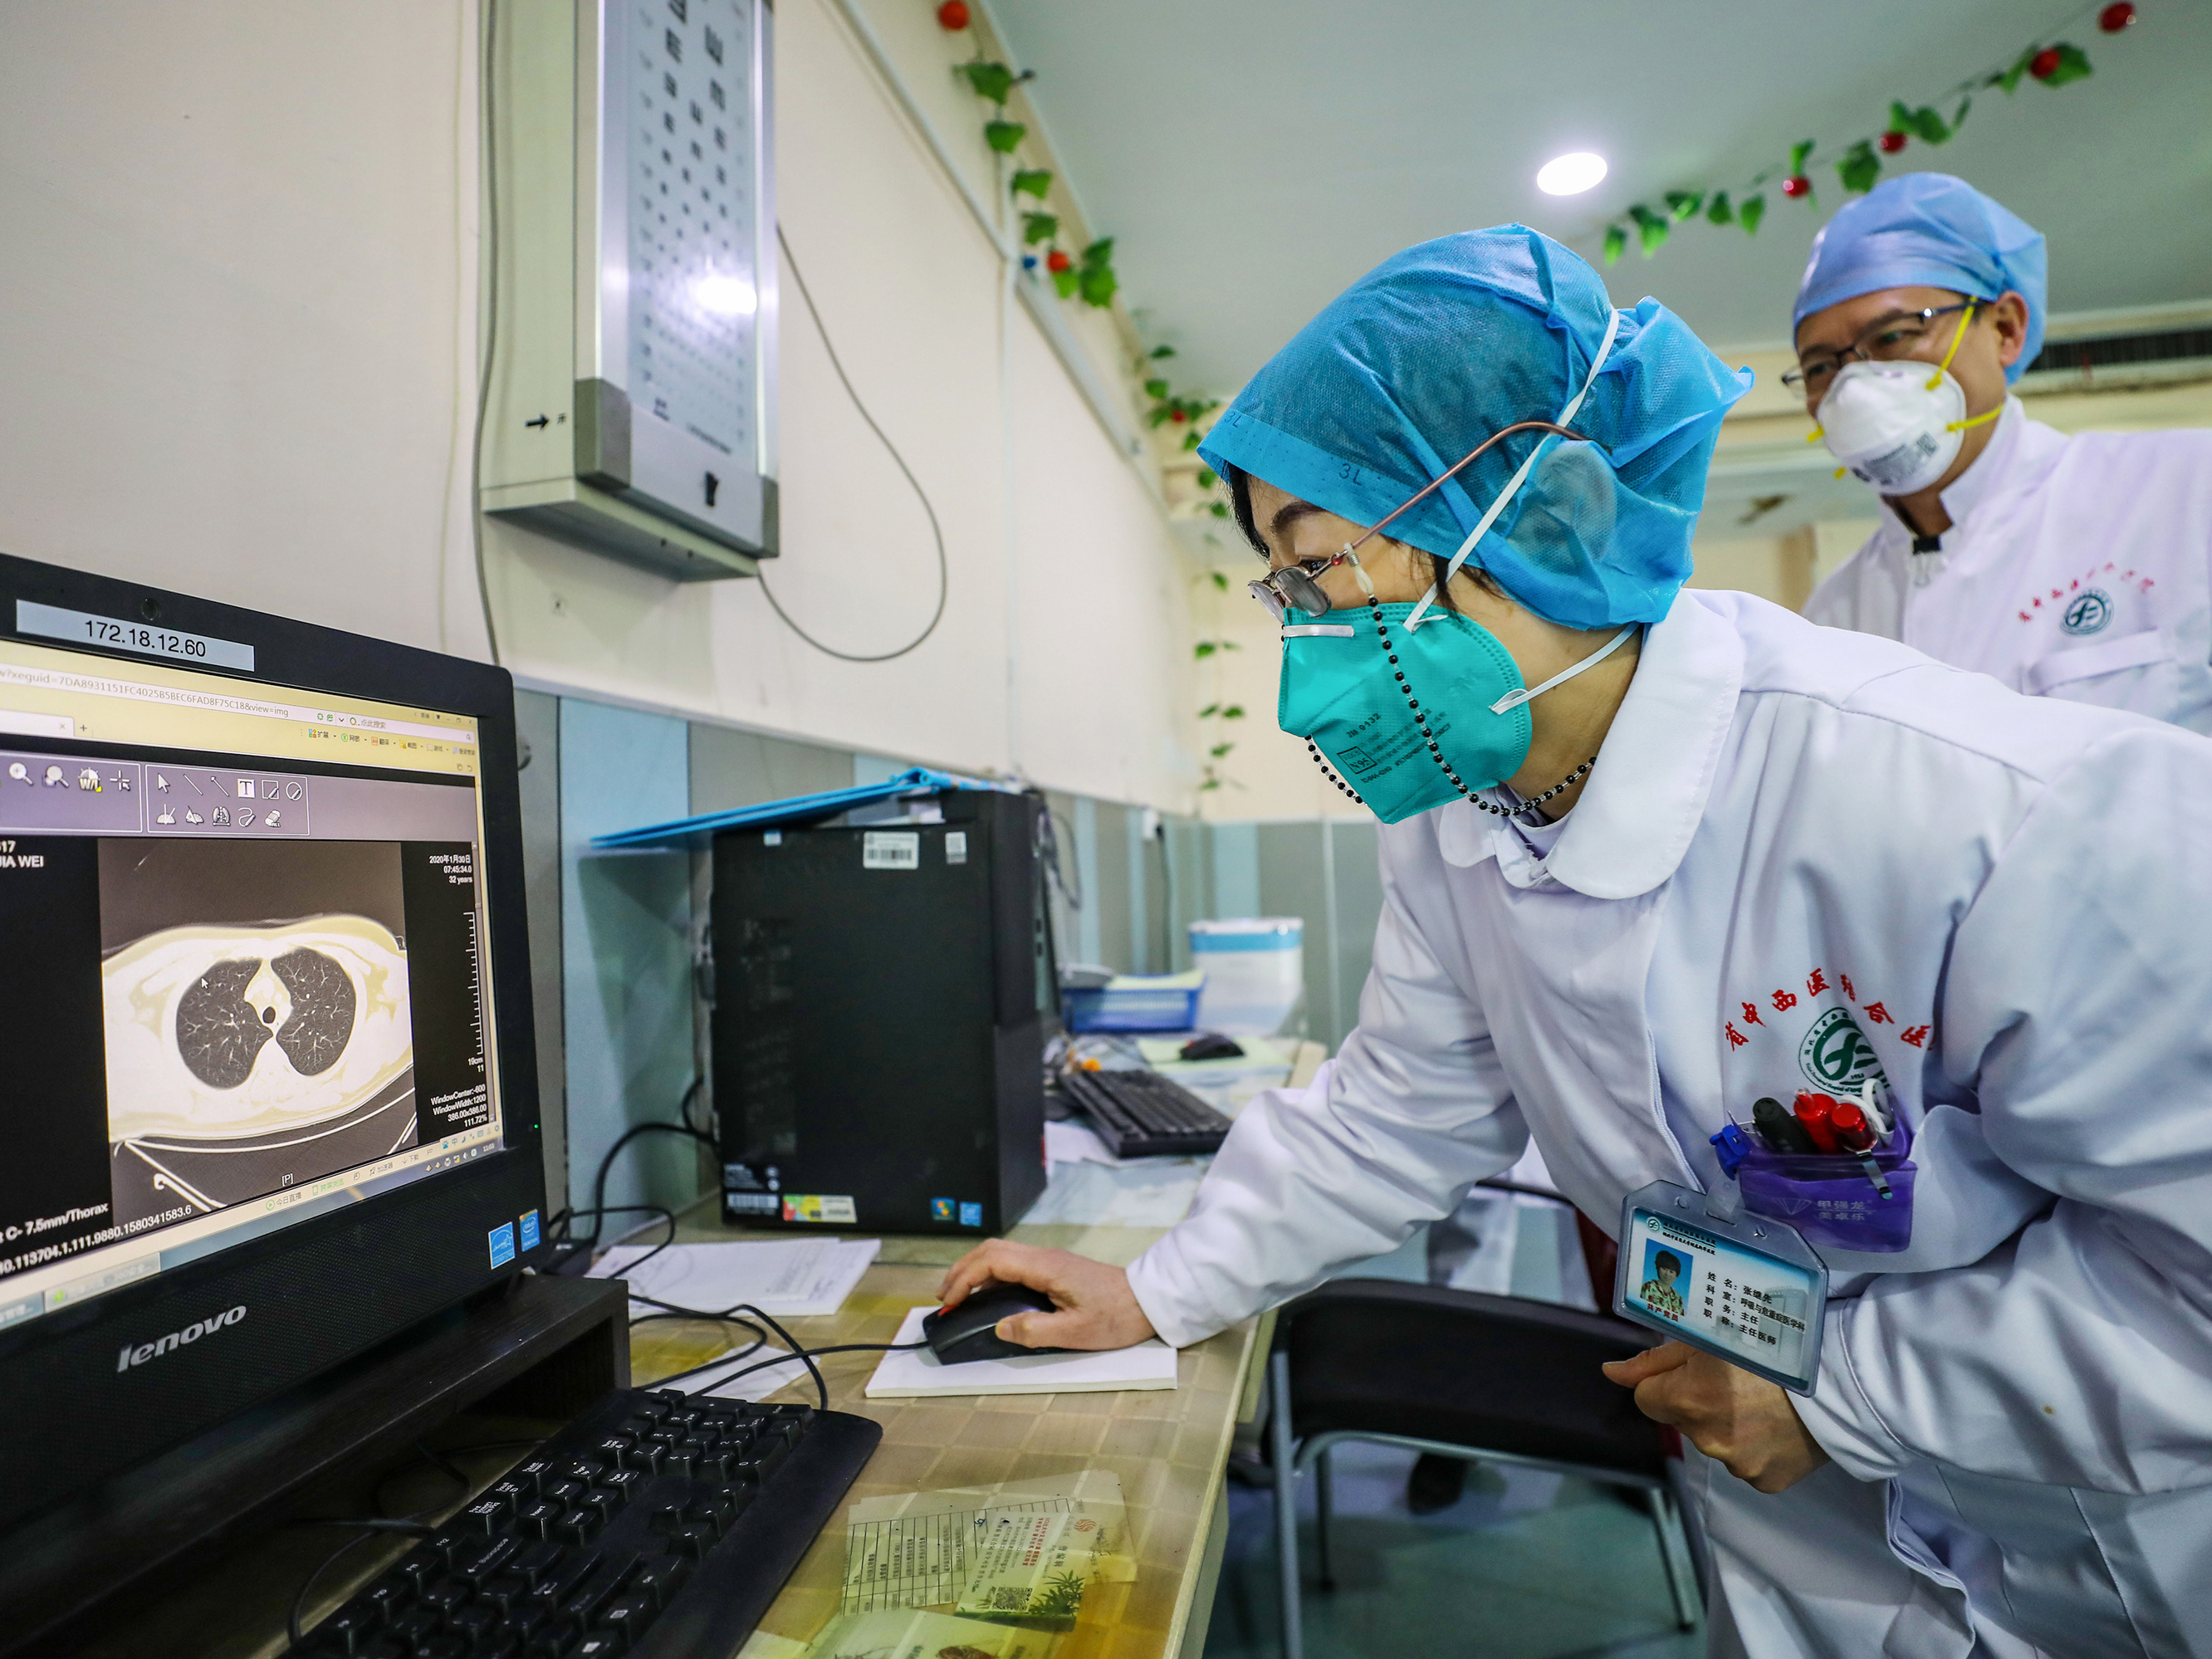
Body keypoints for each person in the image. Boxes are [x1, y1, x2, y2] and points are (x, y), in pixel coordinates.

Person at [937, 224, 2212, 1657]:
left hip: (2101, 1541)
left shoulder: (1983, 807)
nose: (1304, 645)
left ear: (1536, 518)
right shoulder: (1463, 804)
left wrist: (1841, 1392)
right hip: (1785, 1520)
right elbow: (1395, 1107)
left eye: (1322, 569)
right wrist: (1154, 1288)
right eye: (1280, 591)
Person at [1792, 173, 2212, 732]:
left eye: (1895, 335)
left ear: (2006, 329)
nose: (1856, 386)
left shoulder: (2183, 492)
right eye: (1822, 367)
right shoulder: (1828, 621)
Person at [1642, 1250, 1686, 1322]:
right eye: (1664, 1269)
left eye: (1671, 1272)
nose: (1667, 1274)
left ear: (1676, 1275)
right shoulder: (1649, 1287)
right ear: (1658, 1268)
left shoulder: (1678, 1298)